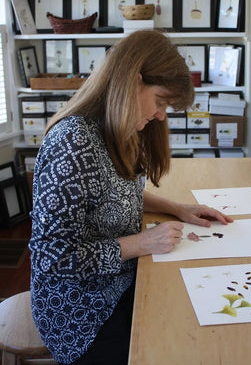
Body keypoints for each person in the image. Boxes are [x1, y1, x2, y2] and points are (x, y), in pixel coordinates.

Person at [29, 29, 233, 365]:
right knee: (176, 347)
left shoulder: (118, 126)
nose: (161, 115)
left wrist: (177, 208)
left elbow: (121, 189)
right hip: (80, 312)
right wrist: (142, 243)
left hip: (121, 280)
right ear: (134, 82)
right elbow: (52, 260)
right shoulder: (72, 143)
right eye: (161, 101)